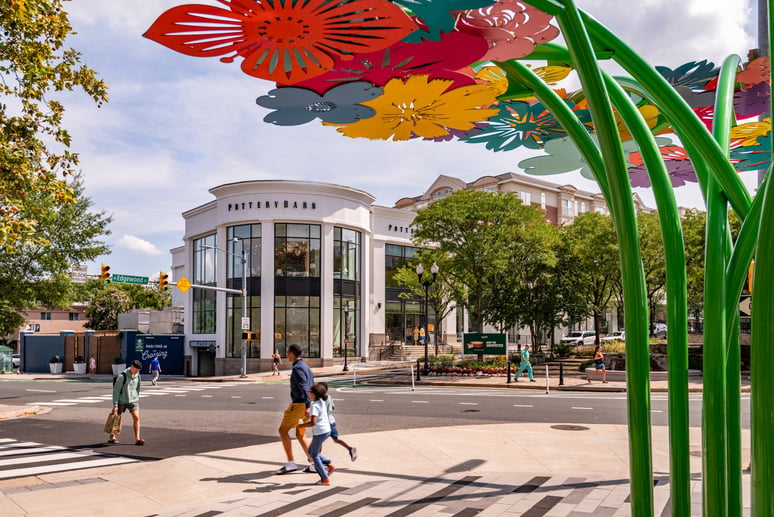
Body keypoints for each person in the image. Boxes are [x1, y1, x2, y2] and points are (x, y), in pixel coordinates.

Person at [274, 344, 314, 474]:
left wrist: (307, 405)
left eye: (288, 353)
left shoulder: (297, 368)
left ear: (292, 353)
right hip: (306, 404)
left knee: (283, 430)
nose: (287, 355)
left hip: (299, 405)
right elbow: (311, 385)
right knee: (300, 435)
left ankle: (291, 463)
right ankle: (314, 463)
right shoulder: (306, 367)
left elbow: (304, 386)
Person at [306, 382, 356, 467]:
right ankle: (349, 448)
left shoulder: (319, 401)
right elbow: (333, 407)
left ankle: (317, 460)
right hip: (331, 420)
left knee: (319, 441)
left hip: (324, 422)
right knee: (335, 439)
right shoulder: (329, 397)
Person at [298, 383, 336, 485]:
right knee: (311, 451)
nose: (308, 393)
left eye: (310, 392)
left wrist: (301, 426)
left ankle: (325, 478)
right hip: (326, 430)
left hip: (320, 432)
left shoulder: (314, 405)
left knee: (314, 455)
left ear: (314, 394)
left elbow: (313, 422)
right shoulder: (321, 401)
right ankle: (328, 464)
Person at [109, 359, 144, 445]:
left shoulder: (138, 376)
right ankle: (112, 436)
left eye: (138, 371)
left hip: (133, 400)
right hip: (122, 400)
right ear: (131, 367)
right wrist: (115, 405)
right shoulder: (122, 376)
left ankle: (137, 439)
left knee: (136, 417)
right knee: (117, 418)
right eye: (135, 370)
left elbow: (138, 388)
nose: (136, 372)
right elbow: (116, 391)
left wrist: (136, 397)